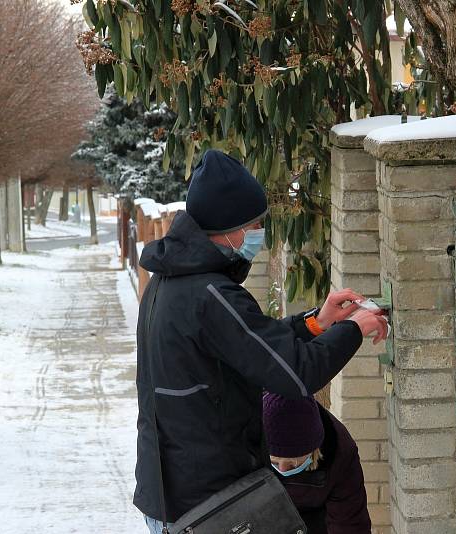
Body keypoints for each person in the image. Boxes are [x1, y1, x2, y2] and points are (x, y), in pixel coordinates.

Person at [134, 149, 388, 533]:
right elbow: (295, 373)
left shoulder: (168, 284)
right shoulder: (210, 294)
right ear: (231, 227)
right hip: (204, 506)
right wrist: (356, 327)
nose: (257, 233)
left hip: (174, 497)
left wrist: (317, 323)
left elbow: (250, 344)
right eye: (254, 224)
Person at [263, 392, 371, 534]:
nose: (283, 469)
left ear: (314, 449)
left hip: (314, 521)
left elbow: (350, 524)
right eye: (275, 462)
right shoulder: (239, 446)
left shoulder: (340, 451)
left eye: (293, 463)